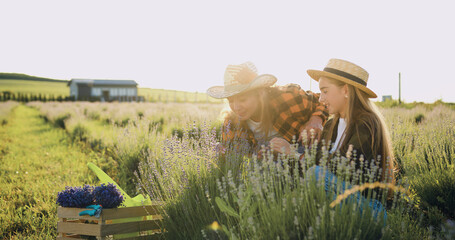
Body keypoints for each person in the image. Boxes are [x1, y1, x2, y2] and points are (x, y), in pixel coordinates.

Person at [304, 58, 397, 221]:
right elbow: (320, 160)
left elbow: (345, 169)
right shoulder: (332, 124)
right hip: (343, 201)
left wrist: (302, 158)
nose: (320, 99)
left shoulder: (367, 123)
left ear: (346, 90)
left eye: (325, 91)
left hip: (369, 210)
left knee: (315, 174)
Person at [207, 62, 328, 155]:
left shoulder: (286, 98)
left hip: (305, 155)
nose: (236, 107)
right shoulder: (232, 123)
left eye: (243, 99)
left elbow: (324, 100)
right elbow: (237, 157)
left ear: (259, 93)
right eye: (231, 100)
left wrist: (316, 119)